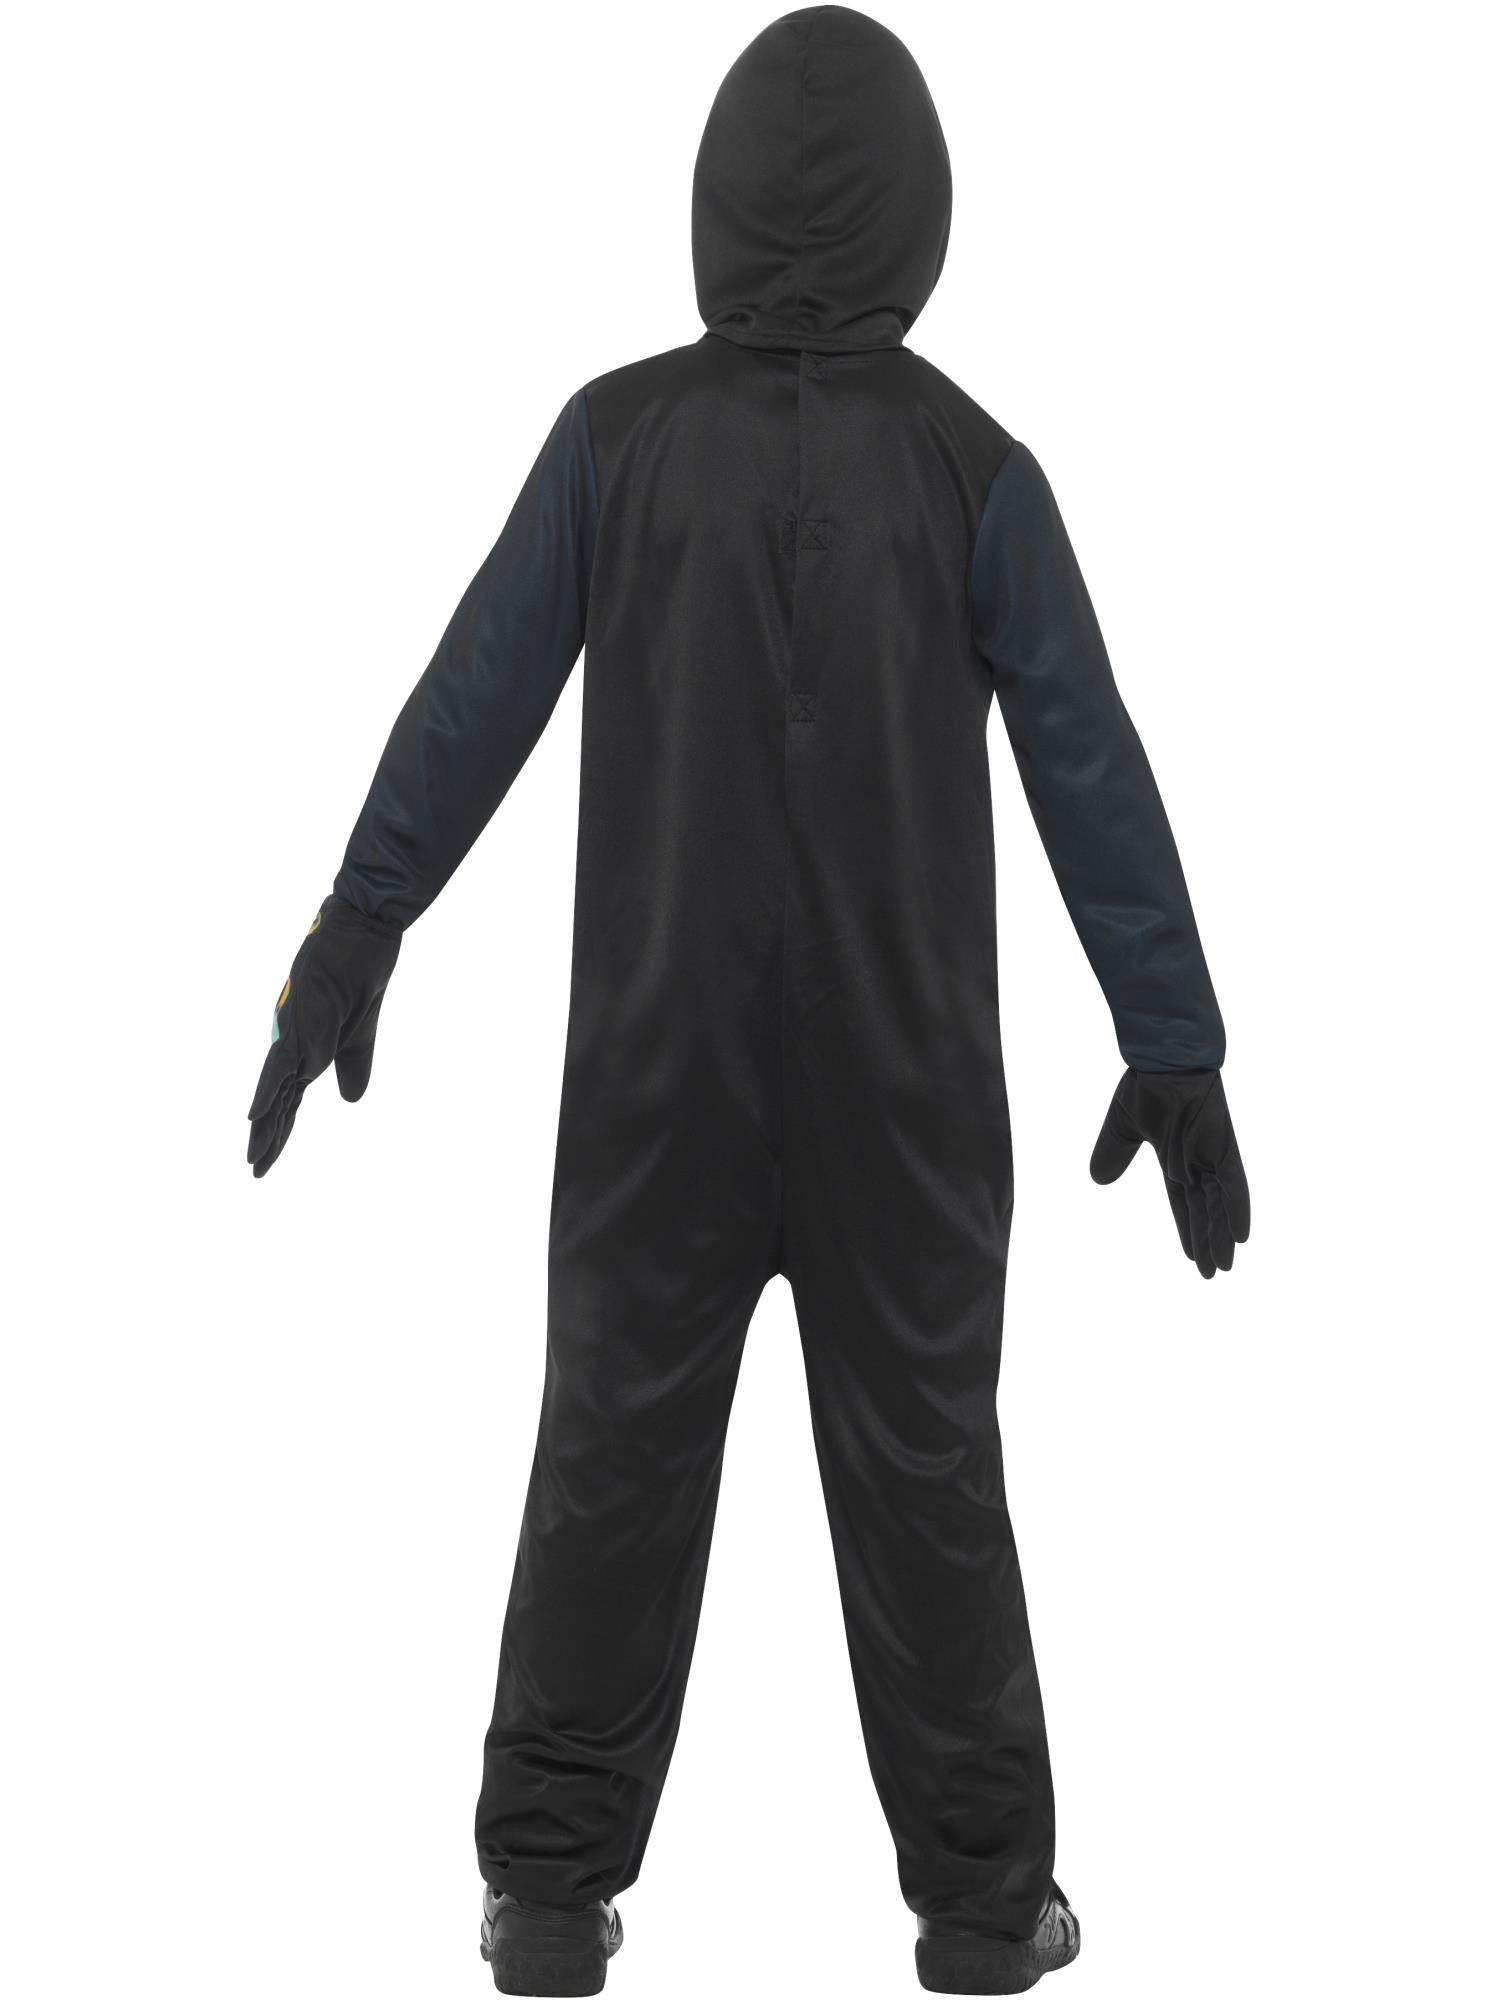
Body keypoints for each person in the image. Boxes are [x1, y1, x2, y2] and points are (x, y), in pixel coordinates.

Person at [247, 9, 1250, 1994]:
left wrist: (354, 933)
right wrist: (1176, 1039)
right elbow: (1090, 763)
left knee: (608, 1461)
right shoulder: (974, 467)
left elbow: (472, 697)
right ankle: (986, 1911)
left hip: (658, 1075)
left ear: (712, 197)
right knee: (930, 1478)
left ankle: (548, 1898)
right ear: (922, 208)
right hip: (906, 1091)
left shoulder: (617, 441)